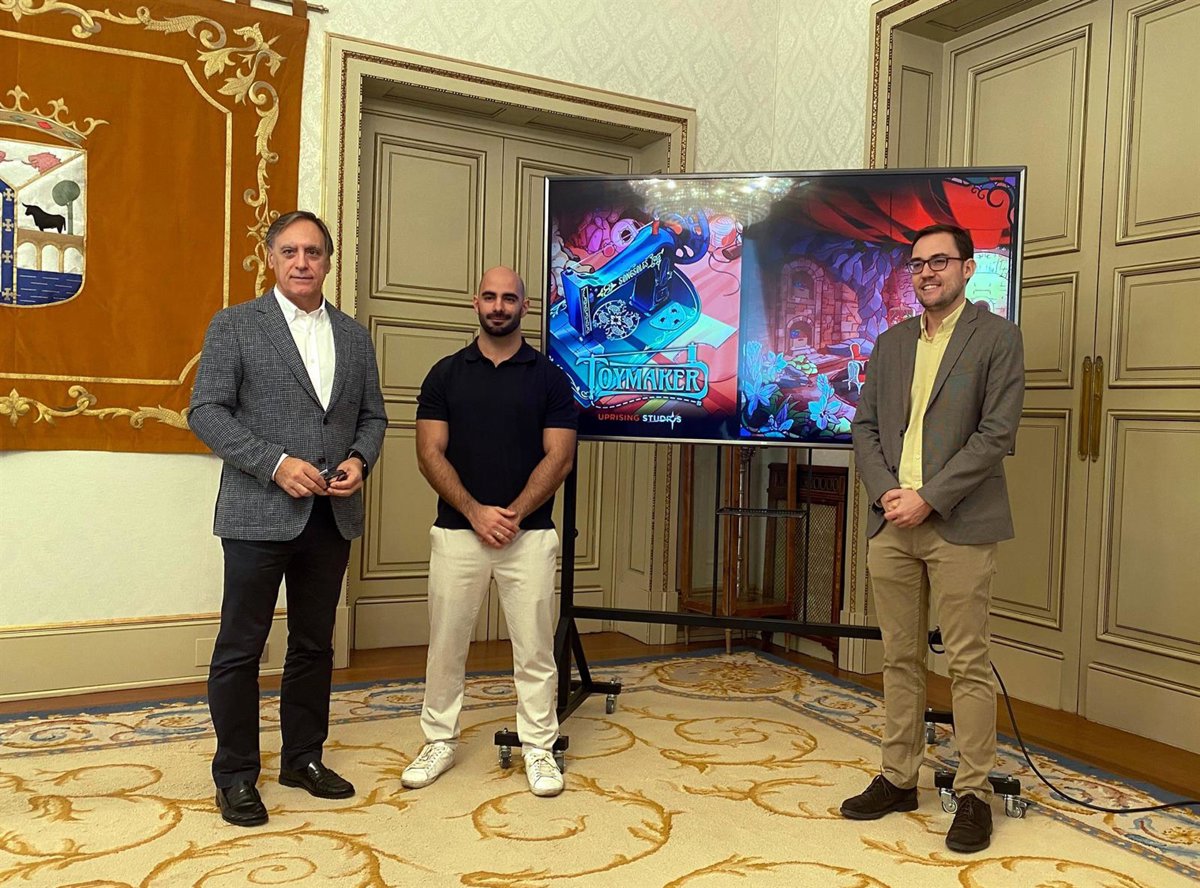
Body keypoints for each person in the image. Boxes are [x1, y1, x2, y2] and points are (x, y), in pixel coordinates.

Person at [189, 210, 387, 827]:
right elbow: (206, 412)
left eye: (314, 252)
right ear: (271, 259)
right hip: (256, 513)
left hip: (332, 517)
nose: (303, 262)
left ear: (327, 261)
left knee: (313, 645)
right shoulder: (235, 325)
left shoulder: (353, 336)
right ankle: (235, 776)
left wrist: (359, 459)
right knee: (240, 648)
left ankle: (303, 758)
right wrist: (273, 463)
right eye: (291, 252)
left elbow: (372, 417)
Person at [842, 223, 1024, 853]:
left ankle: (972, 794)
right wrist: (887, 493)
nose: (927, 272)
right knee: (899, 658)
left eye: (940, 261)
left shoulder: (997, 338)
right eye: (917, 263)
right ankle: (898, 778)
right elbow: (865, 427)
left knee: (968, 662)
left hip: (959, 523)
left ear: (967, 268)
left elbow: (996, 434)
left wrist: (929, 497)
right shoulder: (890, 343)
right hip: (891, 522)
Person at [403, 265, 577, 798]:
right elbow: (428, 453)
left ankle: (539, 747)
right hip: (457, 534)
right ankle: (438, 741)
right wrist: (477, 512)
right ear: (475, 303)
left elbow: (560, 457)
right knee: (446, 646)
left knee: (535, 651)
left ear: (525, 306)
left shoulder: (551, 378)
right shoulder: (445, 375)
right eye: (489, 297)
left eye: (508, 298)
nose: (498, 306)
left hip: (530, 536)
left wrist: (513, 515)